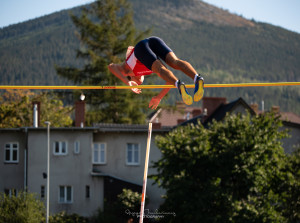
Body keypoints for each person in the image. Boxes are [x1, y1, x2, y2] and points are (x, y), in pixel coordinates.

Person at [108, 36, 204, 110]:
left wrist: (127, 83)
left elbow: (111, 66)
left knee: (161, 71)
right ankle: (197, 78)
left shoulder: (127, 70)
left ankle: (179, 84)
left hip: (140, 48)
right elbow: (169, 79)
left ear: (131, 78)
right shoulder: (149, 67)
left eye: (137, 84)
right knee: (174, 62)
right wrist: (159, 97)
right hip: (154, 41)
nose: (139, 83)